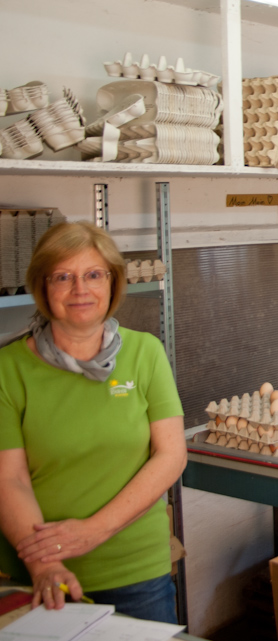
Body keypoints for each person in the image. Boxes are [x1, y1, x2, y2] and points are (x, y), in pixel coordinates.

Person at [0, 222, 186, 622]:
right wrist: (45, 564)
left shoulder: (145, 352)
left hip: (136, 570)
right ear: (43, 286)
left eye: (93, 275)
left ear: (112, 283)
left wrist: (94, 531)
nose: (80, 289)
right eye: (63, 277)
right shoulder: (8, 368)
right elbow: (8, 478)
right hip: (39, 574)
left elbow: (171, 455)